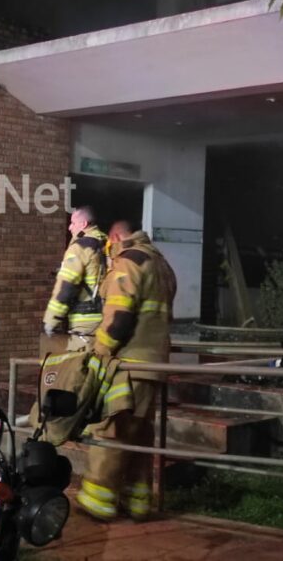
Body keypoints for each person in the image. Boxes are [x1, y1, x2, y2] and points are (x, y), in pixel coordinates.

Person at [76, 220, 176, 521]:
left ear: (116, 236)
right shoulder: (161, 264)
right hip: (154, 364)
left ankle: (97, 500)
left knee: (112, 430)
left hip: (129, 364)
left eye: (109, 244)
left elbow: (118, 319)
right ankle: (137, 500)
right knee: (139, 435)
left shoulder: (129, 262)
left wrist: (98, 355)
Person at [42, 206, 107, 351]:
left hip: (86, 322)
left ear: (83, 224)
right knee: (103, 361)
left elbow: (66, 287)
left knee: (78, 362)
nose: (70, 227)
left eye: (73, 223)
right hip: (110, 319)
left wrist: (51, 320)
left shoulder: (79, 248)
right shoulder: (109, 244)